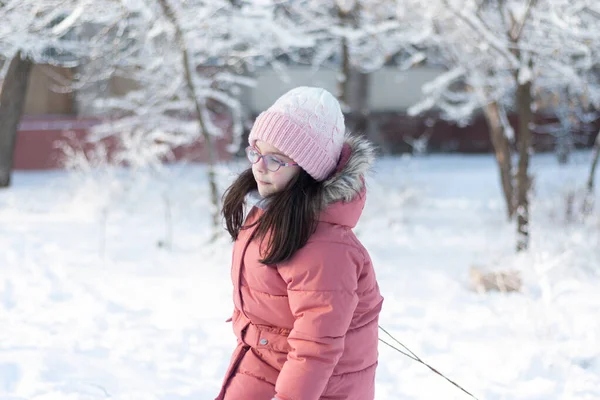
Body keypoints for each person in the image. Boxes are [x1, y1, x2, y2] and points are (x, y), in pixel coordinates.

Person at [216, 86, 384, 400]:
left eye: (277, 159)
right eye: (257, 152)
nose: (260, 167)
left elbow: (315, 346)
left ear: (309, 170)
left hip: (313, 388)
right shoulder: (270, 211)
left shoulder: (325, 248)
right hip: (264, 365)